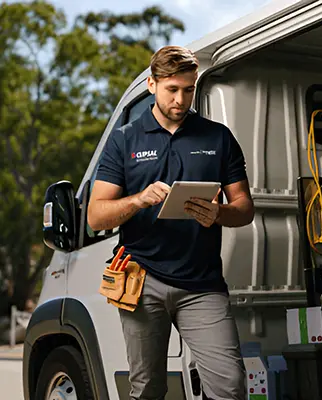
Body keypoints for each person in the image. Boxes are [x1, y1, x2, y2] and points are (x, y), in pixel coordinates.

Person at [88, 45, 254, 400]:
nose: (181, 99)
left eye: (189, 89)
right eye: (172, 90)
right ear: (152, 84)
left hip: (202, 284)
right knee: (147, 389)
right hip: (141, 280)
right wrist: (138, 199)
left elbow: (244, 207)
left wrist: (220, 213)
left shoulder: (218, 137)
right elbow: (95, 214)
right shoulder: (124, 139)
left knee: (230, 386)